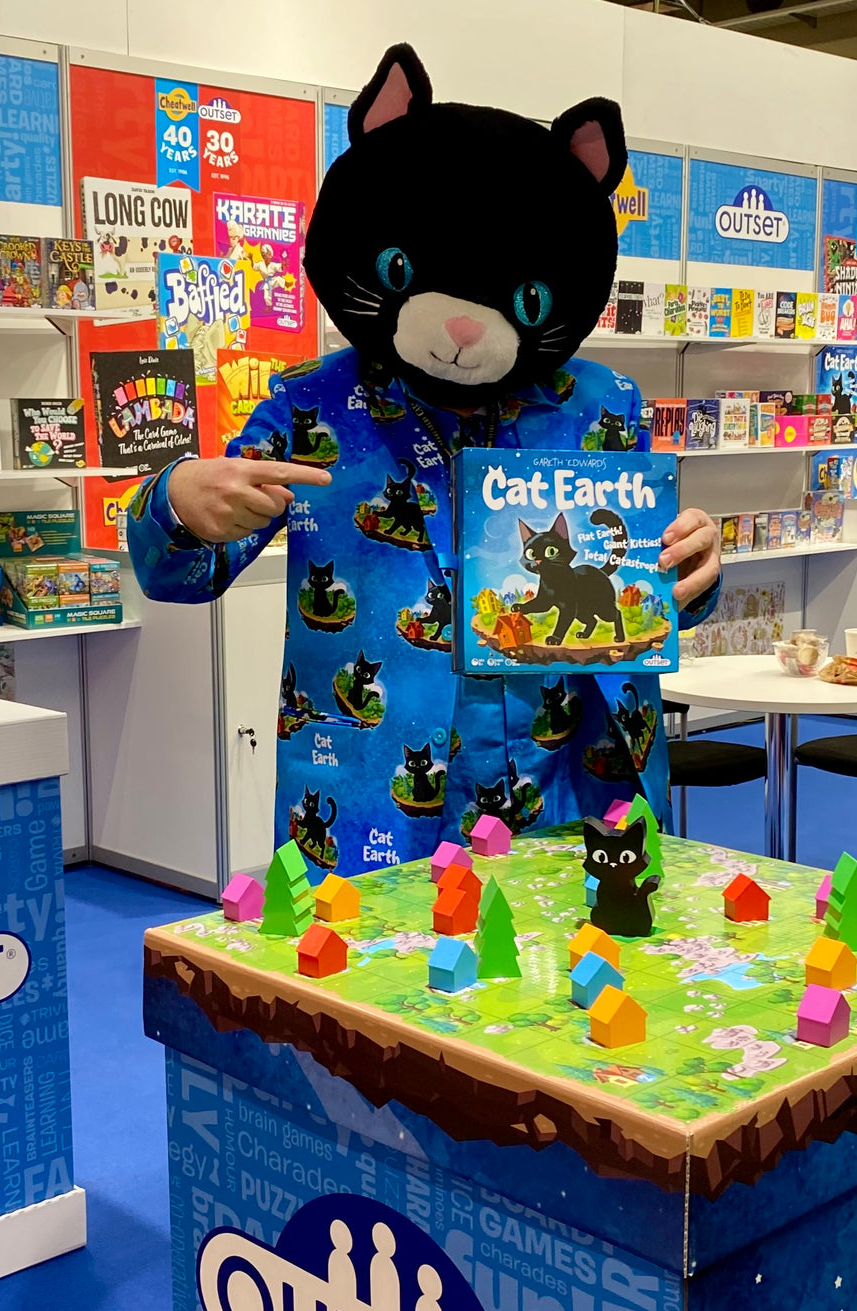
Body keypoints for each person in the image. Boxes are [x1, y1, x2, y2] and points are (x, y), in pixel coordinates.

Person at [128, 45, 720, 879]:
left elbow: (651, 589)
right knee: (375, 965)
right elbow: (181, 574)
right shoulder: (309, 406)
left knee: (586, 958)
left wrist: (695, 569)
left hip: (574, 776)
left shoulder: (602, 405)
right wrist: (177, 501)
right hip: (378, 793)